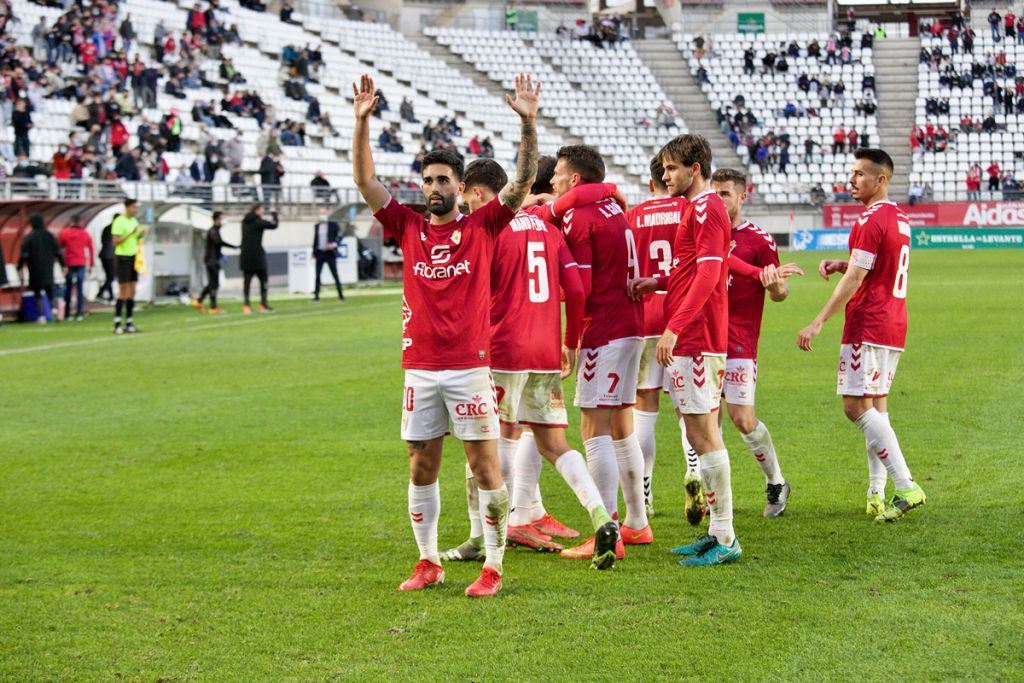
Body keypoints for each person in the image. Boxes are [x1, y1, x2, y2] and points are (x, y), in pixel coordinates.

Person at [352, 72, 539, 597]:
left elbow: (522, 183)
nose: (434, 188)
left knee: (484, 466)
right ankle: (428, 560)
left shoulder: (482, 226)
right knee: (421, 462)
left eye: (443, 181)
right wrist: (361, 122)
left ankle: (494, 566)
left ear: (461, 187)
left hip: (469, 368)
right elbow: (366, 183)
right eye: (427, 180)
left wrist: (527, 123)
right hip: (420, 367)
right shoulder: (406, 225)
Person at [441, 157, 619, 567]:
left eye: (465, 195)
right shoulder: (545, 226)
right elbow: (575, 290)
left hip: (500, 348)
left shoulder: (486, 229)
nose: (464, 205)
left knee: (486, 442)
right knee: (554, 442)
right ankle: (601, 516)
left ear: (478, 192)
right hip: (543, 350)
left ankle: (482, 537)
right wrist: (570, 341)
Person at [629, 134, 740, 566]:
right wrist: (655, 283)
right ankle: (715, 531)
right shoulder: (693, 209)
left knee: (704, 432)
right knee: (695, 431)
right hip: (691, 335)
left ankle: (727, 536)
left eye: (672, 167)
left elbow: (711, 276)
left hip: (697, 337)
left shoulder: (708, 207)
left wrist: (673, 328)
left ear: (695, 169)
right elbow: (690, 269)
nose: (665, 175)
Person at [797, 148, 925, 522]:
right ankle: (876, 492)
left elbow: (857, 279)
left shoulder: (870, 219)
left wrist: (818, 320)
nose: (851, 180)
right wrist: (843, 263)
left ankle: (906, 485)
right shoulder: (899, 217)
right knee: (876, 407)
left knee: (855, 407)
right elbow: (872, 267)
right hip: (893, 322)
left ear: (880, 180)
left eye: (859, 175)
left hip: (868, 323)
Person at [549, 145, 650, 562]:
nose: (552, 180)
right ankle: (637, 523)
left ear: (574, 179)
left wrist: (570, 339)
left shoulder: (579, 216)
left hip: (603, 330)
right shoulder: (613, 207)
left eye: (557, 174)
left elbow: (582, 289)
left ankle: (606, 531)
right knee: (622, 424)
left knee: (594, 430)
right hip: (632, 326)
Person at [712, 168, 802, 516]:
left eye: (726, 194)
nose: (719, 201)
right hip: (703, 337)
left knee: (742, 419)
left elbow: (780, 292)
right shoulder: (705, 232)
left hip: (738, 341)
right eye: (715, 193)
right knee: (702, 421)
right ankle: (713, 499)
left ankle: (776, 481)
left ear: (742, 197)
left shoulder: (760, 240)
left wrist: (775, 284)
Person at [627, 155, 692, 518]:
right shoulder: (687, 208)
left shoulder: (633, 216)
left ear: (649, 182)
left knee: (644, 408)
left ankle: (645, 493)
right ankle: (694, 473)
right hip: (681, 315)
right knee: (689, 409)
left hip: (644, 316)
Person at [18, 213, 65, 324]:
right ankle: (54, 310)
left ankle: (42, 316)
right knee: (50, 291)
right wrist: (63, 264)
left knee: (37, 293)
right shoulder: (49, 235)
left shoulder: (29, 237)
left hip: (34, 269)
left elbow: (24, 254)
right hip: (48, 268)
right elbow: (58, 251)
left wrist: (19, 267)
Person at [193, 211, 236, 314]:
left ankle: (199, 301)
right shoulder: (213, 231)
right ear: (217, 219)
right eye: (221, 218)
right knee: (214, 284)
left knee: (212, 284)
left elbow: (216, 246)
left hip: (213, 260)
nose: (222, 221)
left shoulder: (215, 230)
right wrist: (233, 246)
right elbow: (219, 243)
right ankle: (213, 307)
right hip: (212, 261)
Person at [111, 200, 143, 334]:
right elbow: (115, 242)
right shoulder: (119, 221)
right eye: (134, 207)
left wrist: (140, 235)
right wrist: (131, 234)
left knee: (133, 289)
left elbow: (136, 238)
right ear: (128, 207)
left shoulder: (134, 221)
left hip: (134, 257)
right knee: (123, 289)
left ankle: (129, 321)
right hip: (123, 257)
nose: (135, 210)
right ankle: (117, 322)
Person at [240, 204, 278, 314]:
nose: (262, 212)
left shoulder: (244, 221)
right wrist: (274, 214)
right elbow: (274, 225)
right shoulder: (258, 222)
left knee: (247, 282)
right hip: (257, 255)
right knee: (264, 280)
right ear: (257, 210)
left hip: (245, 255)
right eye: (262, 210)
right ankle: (263, 304)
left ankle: (246, 305)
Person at [58, 219, 95, 321]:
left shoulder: (64, 233)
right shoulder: (84, 234)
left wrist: (62, 264)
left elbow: (59, 247)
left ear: (71, 223)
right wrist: (91, 264)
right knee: (80, 288)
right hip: (81, 262)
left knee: (68, 288)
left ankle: (67, 314)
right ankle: (79, 313)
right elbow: (91, 249)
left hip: (69, 262)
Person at [311, 209, 344, 302]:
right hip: (320, 253)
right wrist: (313, 252)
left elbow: (340, 235)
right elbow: (315, 240)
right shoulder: (317, 226)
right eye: (321, 214)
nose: (322, 215)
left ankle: (341, 295)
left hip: (330, 253)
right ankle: (316, 296)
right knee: (317, 275)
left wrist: (334, 244)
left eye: (324, 213)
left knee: (335, 274)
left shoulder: (333, 225)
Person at [97, 217, 117, 301]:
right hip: (109, 256)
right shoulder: (115, 229)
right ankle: (100, 293)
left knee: (109, 276)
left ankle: (111, 296)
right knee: (111, 277)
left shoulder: (107, 228)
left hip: (104, 254)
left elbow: (102, 240)